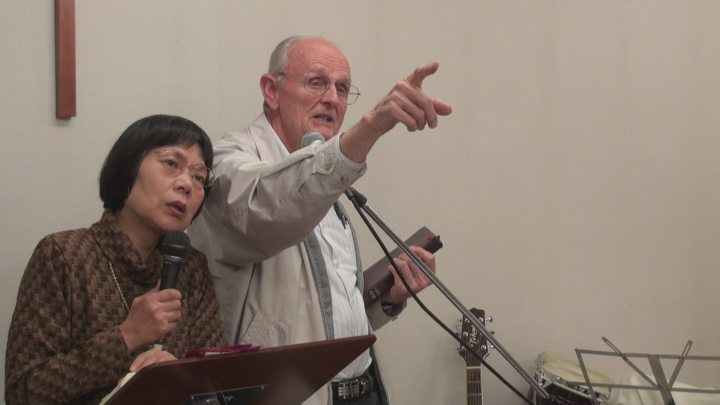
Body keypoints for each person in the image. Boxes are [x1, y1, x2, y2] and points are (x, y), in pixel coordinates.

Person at [188, 36, 452, 405]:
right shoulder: (230, 160)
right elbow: (267, 212)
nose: (332, 98)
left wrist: (387, 299)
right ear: (271, 90)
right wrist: (373, 124)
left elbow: (322, 315)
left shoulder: (325, 173)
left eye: (342, 89)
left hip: (363, 391)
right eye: (316, 83)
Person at [4, 115, 227, 405]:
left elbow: (219, 385)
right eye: (172, 163)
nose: (187, 184)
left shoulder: (191, 267)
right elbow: (23, 393)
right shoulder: (62, 255)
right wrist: (126, 336)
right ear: (128, 165)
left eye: (199, 177)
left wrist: (179, 375)